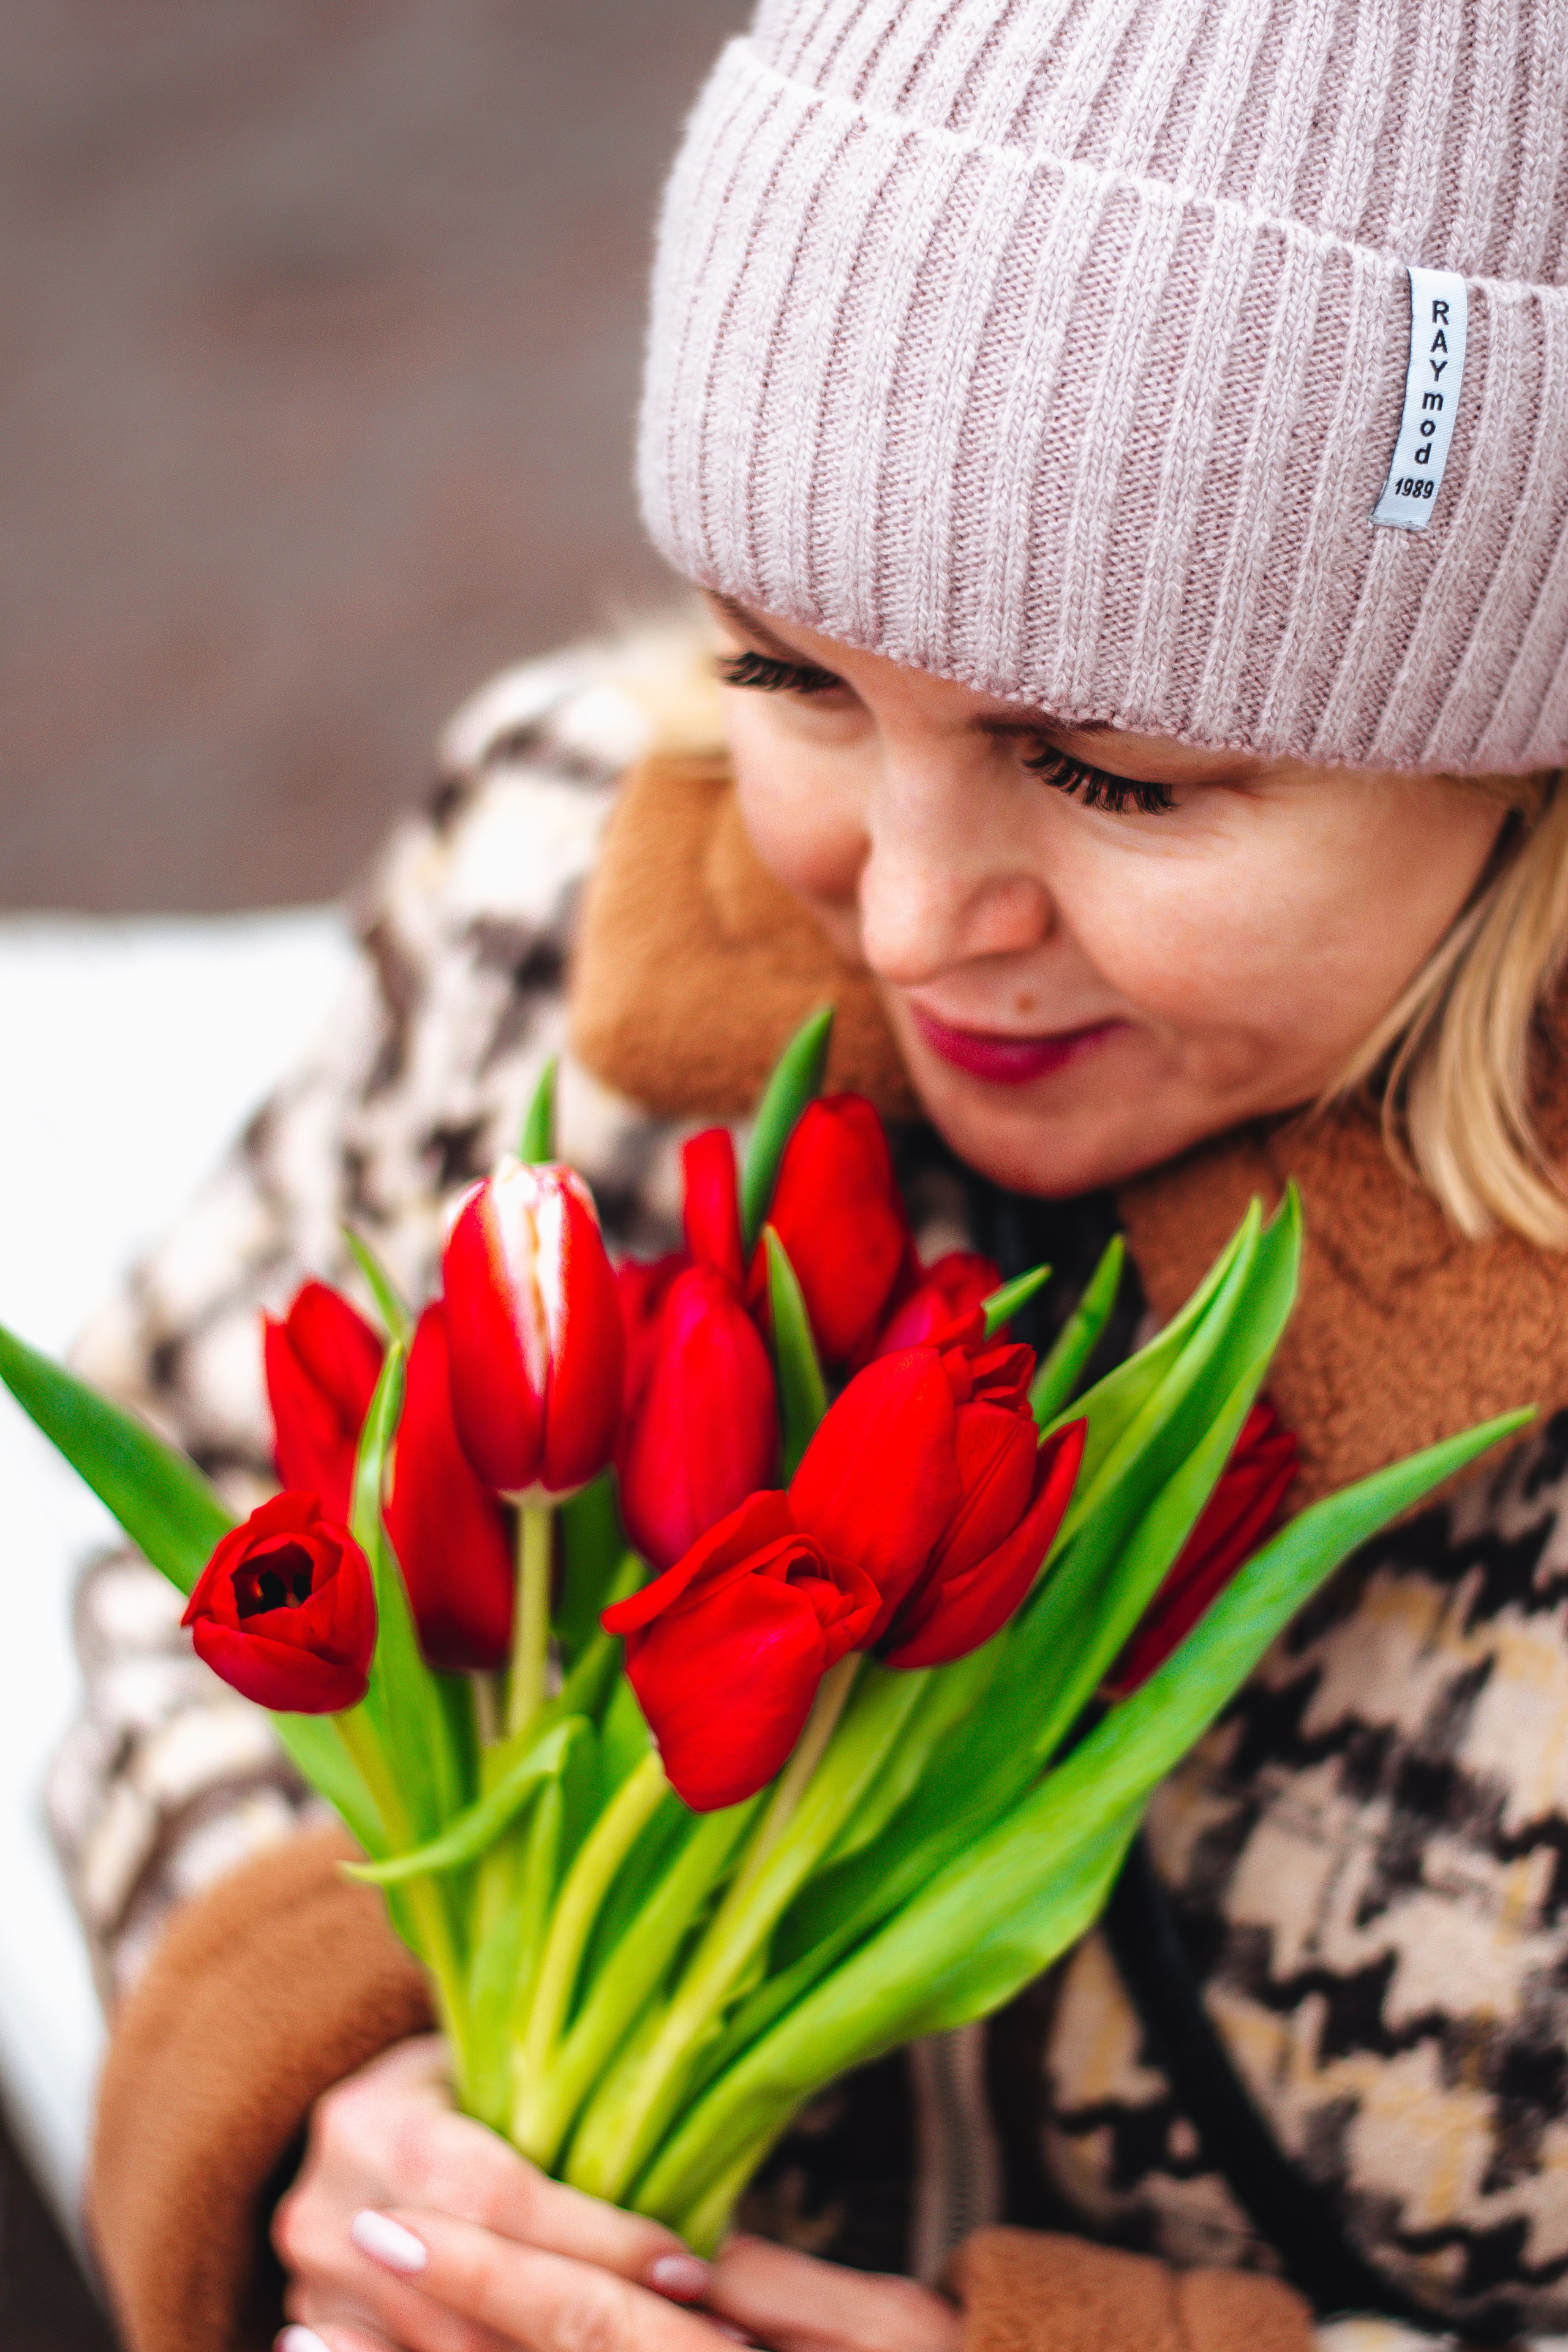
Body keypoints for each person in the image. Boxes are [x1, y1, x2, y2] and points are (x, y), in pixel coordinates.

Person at [50, 1, 1568, 2346]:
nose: (907, 916)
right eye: (792, 675)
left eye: (1119, 777)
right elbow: (186, 1528)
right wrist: (328, 2065)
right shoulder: (560, 892)